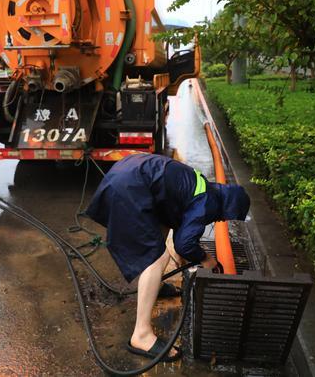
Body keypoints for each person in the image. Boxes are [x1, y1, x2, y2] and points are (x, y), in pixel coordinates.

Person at [86, 153, 250, 362]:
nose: (223, 219)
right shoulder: (207, 201)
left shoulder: (202, 186)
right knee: (156, 258)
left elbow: (171, 218)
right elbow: (184, 244)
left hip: (126, 174)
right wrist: (206, 258)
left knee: (158, 237)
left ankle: (155, 286)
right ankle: (141, 335)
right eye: (228, 215)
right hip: (130, 187)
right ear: (228, 206)